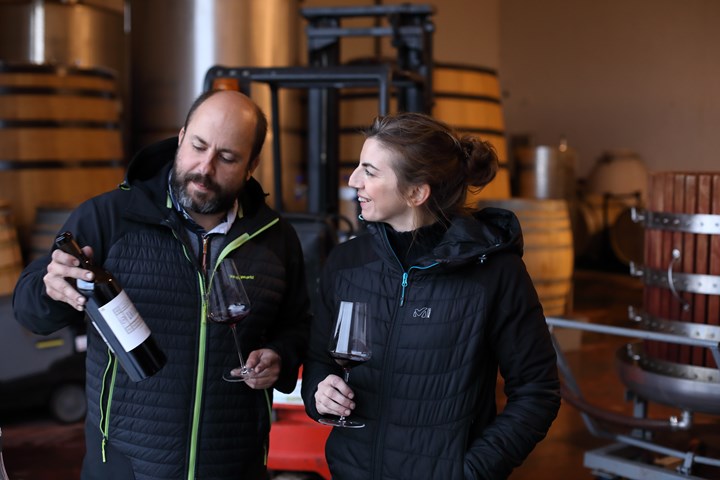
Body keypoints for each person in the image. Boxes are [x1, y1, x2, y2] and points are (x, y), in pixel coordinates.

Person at [12, 90, 312, 480]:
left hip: (234, 465)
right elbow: (31, 313)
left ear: (251, 165)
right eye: (198, 146)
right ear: (181, 137)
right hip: (124, 469)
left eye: (226, 158)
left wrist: (280, 356)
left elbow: (298, 326)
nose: (205, 168)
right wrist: (49, 289)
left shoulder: (275, 238)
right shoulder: (110, 217)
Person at [301, 112, 561, 479]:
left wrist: (470, 471)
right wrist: (319, 392)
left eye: (370, 172)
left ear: (416, 193)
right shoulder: (346, 263)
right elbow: (319, 359)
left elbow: (537, 392)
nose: (353, 180)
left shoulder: (495, 274)